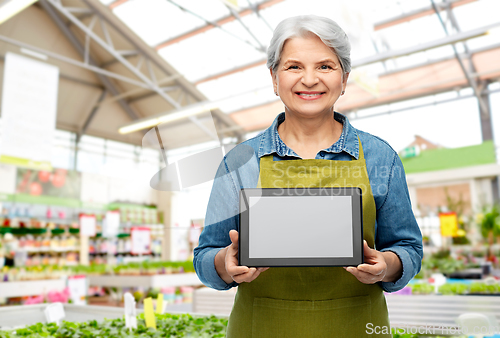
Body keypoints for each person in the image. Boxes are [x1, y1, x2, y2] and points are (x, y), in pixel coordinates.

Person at [194, 15, 423, 337]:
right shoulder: (238, 163)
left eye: (325, 66)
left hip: (356, 326)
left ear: (344, 79)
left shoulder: (380, 157)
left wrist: (387, 265)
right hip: (261, 327)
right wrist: (224, 262)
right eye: (294, 67)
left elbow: (408, 247)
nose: (310, 79)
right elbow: (205, 256)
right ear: (274, 78)